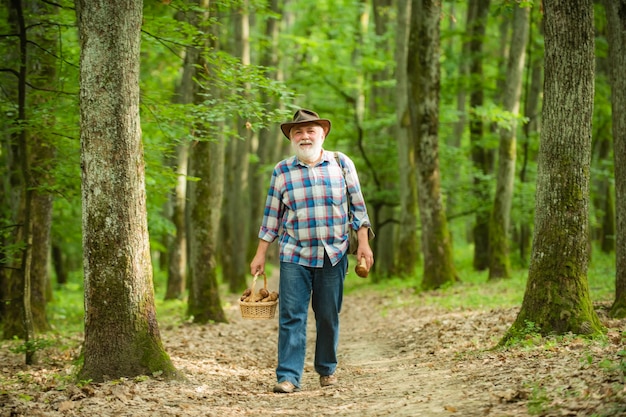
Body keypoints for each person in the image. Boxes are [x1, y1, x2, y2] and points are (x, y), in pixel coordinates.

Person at [250, 108, 374, 394]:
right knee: (291, 315)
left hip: (334, 252)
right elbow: (272, 217)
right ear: (291, 138)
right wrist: (260, 254)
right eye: (298, 132)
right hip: (294, 253)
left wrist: (363, 243)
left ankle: (326, 368)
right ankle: (288, 376)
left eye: (310, 131)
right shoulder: (282, 170)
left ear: (322, 133)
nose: (304, 136)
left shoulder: (341, 163)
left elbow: (358, 208)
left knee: (328, 314)